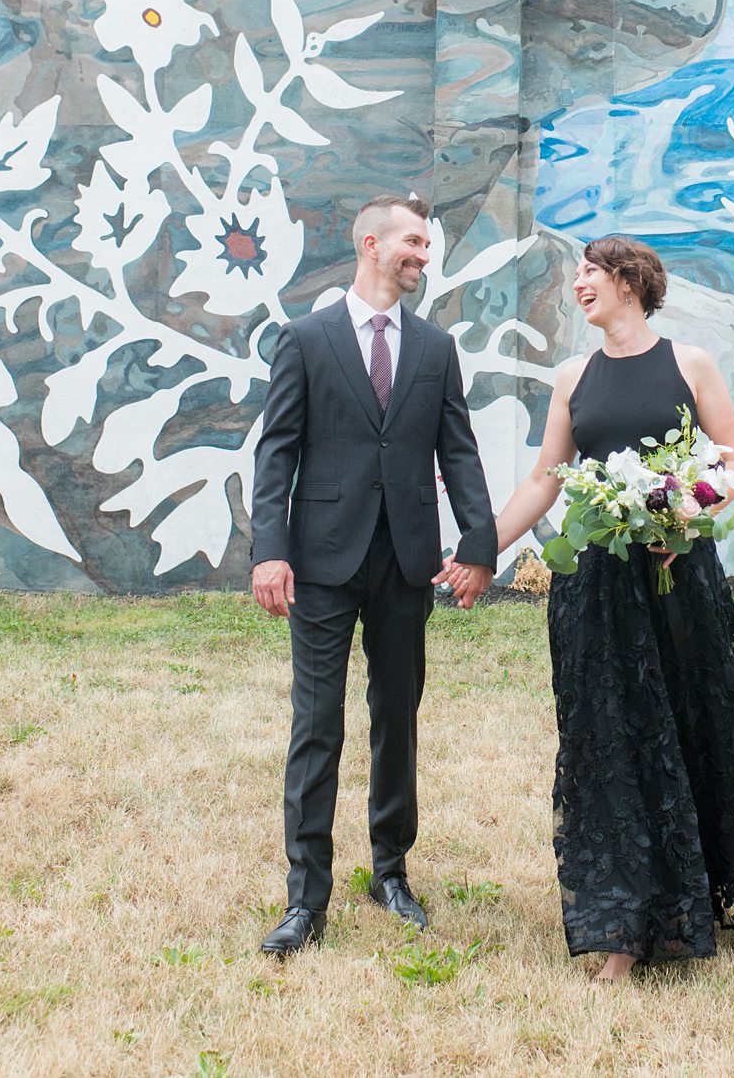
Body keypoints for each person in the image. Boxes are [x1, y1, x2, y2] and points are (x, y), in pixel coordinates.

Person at [442, 234, 734, 979]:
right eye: (577, 273)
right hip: (596, 589)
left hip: (677, 580)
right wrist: (482, 549)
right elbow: (546, 480)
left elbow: (732, 461)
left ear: (629, 281)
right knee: (610, 739)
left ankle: (696, 898)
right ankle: (623, 928)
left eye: (590, 272)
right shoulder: (574, 376)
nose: (578, 284)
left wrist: (689, 512)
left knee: (692, 725)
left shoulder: (689, 363)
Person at [250, 195, 497, 958]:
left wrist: (480, 543)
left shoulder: (435, 347)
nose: (424, 254)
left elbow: (457, 450)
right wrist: (269, 549)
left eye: (427, 244)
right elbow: (277, 452)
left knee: (398, 718)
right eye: (414, 242)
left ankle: (390, 872)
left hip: (407, 563)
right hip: (321, 561)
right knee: (316, 726)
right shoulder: (305, 339)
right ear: (371, 243)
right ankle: (306, 898)